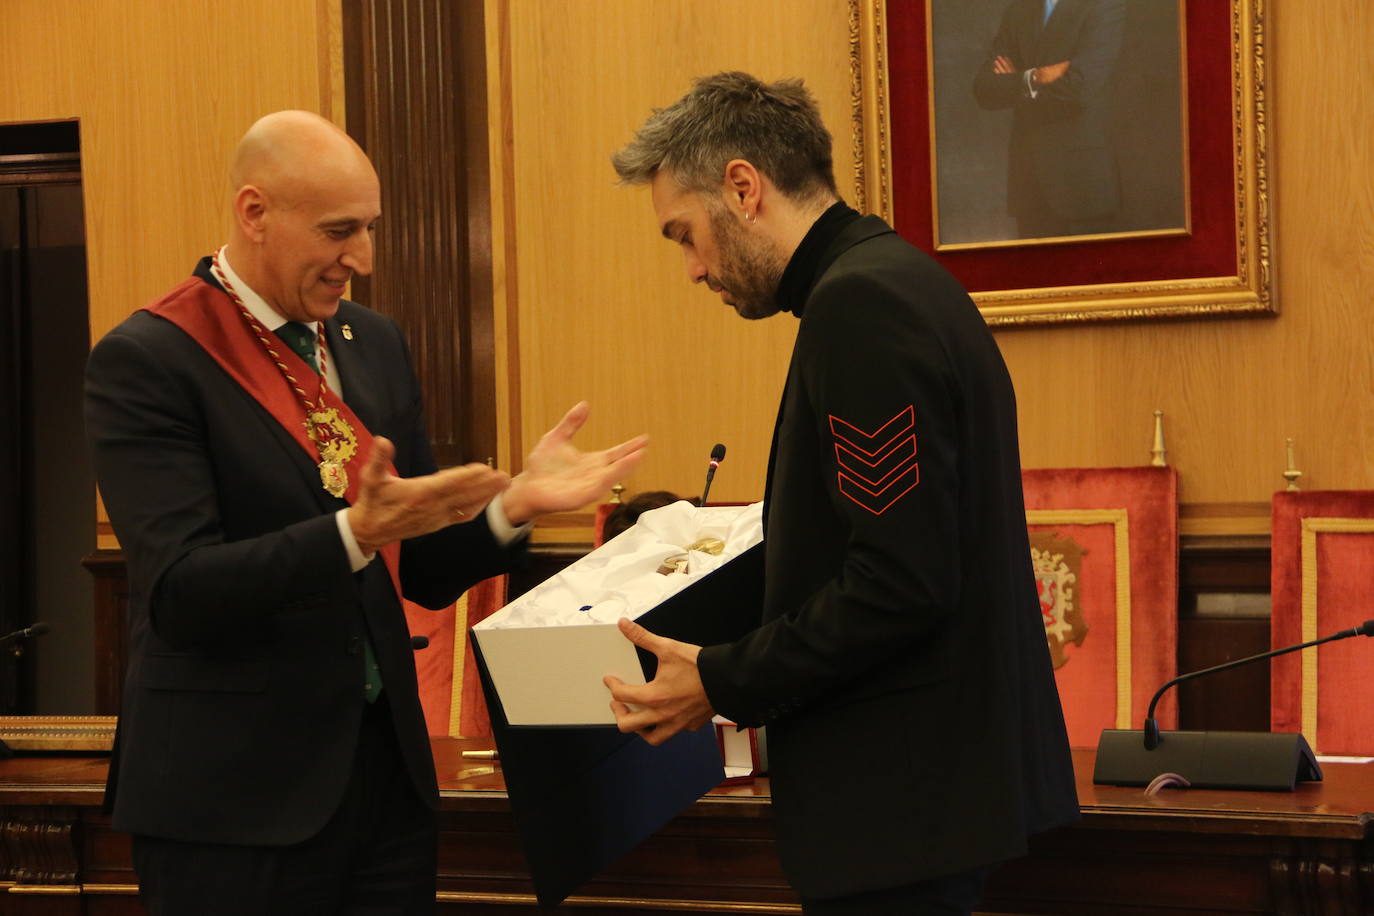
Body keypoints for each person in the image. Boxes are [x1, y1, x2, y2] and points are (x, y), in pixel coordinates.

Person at [84, 110, 645, 915]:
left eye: (371, 229)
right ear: (254, 213)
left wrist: (514, 506)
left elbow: (416, 563)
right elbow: (180, 590)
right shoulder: (150, 359)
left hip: (383, 784)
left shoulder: (370, 341)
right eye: (338, 231)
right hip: (231, 801)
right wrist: (354, 534)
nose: (365, 259)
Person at [604, 73, 1077, 915]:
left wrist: (722, 677)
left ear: (743, 188)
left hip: (898, 805)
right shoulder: (896, 279)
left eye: (685, 234)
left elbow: (899, 582)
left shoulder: (860, 307)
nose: (690, 269)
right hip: (927, 796)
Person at [972, 0, 1127, 240]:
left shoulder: (1103, 5)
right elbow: (984, 89)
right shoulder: (1018, 10)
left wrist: (1016, 83)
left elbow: (1078, 91)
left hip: (1083, 182)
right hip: (1029, 182)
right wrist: (1035, 77)